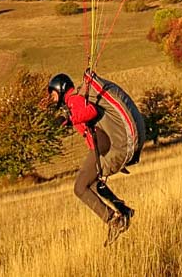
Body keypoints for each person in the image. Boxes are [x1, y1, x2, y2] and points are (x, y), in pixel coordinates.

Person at [48, 73, 137, 246]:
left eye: (53, 93)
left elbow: (91, 111)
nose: (52, 98)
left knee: (79, 188)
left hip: (100, 141)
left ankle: (114, 221)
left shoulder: (74, 99)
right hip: (98, 142)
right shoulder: (71, 102)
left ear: (60, 88)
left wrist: (70, 118)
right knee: (93, 183)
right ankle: (124, 210)